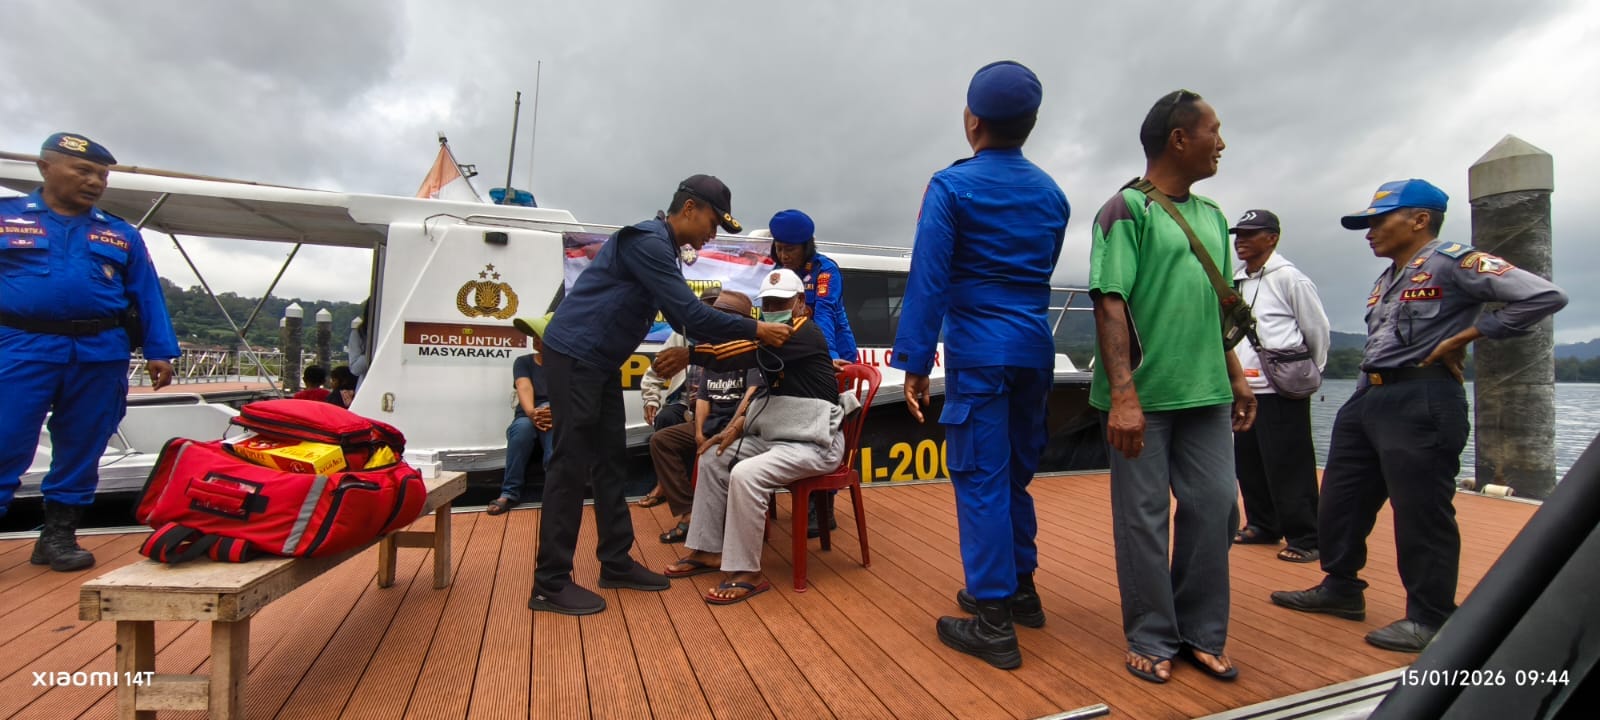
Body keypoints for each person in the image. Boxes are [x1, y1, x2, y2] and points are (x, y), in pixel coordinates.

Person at [1271, 179, 1567, 653]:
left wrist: (1467, 336)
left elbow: (1542, 295)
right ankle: (1341, 588)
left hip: (1422, 397)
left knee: (1421, 511)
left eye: (1377, 221)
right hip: (1371, 394)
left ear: (1419, 219)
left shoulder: (1454, 262)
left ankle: (1430, 618)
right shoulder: (1388, 278)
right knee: (1341, 500)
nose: (1369, 232)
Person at [531, 175, 794, 616]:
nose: (713, 233)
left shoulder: (662, 248)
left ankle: (615, 563)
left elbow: (686, 320)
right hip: (575, 355)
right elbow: (689, 314)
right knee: (571, 464)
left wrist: (705, 349)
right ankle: (550, 582)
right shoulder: (647, 242)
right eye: (713, 221)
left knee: (610, 462)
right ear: (689, 208)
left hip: (598, 362)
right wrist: (757, 328)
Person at [889, 61, 1069, 671]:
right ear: (1031, 124)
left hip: (980, 357)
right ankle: (1022, 590)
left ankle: (992, 622)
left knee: (981, 480)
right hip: (1033, 351)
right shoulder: (1053, 194)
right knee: (1015, 475)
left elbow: (929, 279)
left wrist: (913, 361)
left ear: (972, 121)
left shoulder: (951, 187)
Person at [1089, 90, 1254, 683]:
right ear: (1180, 138)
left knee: (1215, 509)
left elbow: (1218, 304)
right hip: (1145, 399)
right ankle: (1152, 635)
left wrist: (1235, 375)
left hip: (1206, 393)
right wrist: (1124, 396)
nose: (1222, 142)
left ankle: (1201, 632)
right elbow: (1110, 303)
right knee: (1143, 519)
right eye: (1214, 130)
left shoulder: (1212, 216)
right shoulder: (1125, 211)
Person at [0, 133, 179, 571]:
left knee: (84, 442)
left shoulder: (119, 234)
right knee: (4, 438)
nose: (95, 181)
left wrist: (160, 351)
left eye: (101, 174)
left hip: (100, 350)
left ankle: (57, 536)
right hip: (21, 345)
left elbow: (145, 293)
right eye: (83, 170)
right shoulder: (6, 219)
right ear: (45, 167)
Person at [663, 269, 847, 605]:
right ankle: (706, 550)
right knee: (713, 458)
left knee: (745, 474)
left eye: (781, 302)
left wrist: (690, 355)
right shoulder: (775, 336)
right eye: (769, 303)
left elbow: (741, 353)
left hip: (815, 441)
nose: (774, 308)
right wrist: (735, 426)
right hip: (779, 435)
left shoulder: (803, 334)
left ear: (800, 303)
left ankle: (748, 572)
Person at [1227, 209, 1330, 563]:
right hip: (1244, 387)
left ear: (1272, 238)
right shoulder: (1236, 280)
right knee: (1249, 460)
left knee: (1289, 463)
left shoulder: (1290, 278)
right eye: (1238, 234)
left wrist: (1307, 374)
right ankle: (1262, 523)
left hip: (1281, 387)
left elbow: (1316, 330)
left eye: (1250, 234)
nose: (1241, 240)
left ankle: (1306, 536)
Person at [648, 291, 762, 543]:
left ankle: (712, 525)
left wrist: (728, 432)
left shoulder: (752, 351)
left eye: (726, 317)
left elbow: (750, 400)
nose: (719, 322)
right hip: (711, 425)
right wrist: (699, 432)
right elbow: (703, 397)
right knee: (662, 441)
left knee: (713, 454)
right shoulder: (715, 350)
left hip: (741, 430)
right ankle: (689, 514)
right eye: (717, 316)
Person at [637, 288, 720, 509]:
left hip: (718, 404)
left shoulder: (730, 335)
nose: (711, 310)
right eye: (707, 305)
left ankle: (697, 491)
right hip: (685, 402)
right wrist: (651, 399)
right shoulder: (683, 334)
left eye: (716, 306)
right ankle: (664, 483)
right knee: (664, 418)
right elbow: (655, 370)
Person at [767, 210, 858, 364]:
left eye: (789, 249)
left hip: (835, 352)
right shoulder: (777, 271)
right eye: (779, 248)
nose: (783, 256)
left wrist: (829, 357)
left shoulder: (825, 269)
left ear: (806, 247)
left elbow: (825, 314)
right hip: (798, 350)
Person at [488, 312, 556, 516]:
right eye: (534, 335)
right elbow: (523, 386)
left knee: (555, 431)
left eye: (540, 335)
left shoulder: (566, 364)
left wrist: (555, 412)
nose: (535, 339)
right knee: (522, 430)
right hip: (529, 412)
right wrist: (533, 413)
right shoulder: (524, 362)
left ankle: (554, 493)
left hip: (557, 412)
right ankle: (509, 493)